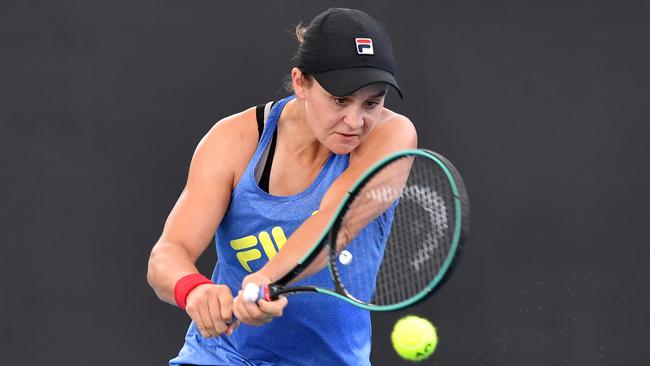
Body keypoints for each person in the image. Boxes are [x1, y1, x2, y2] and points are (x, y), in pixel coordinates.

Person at [147, 7, 417, 366]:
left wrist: (264, 280)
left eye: (372, 102)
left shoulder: (392, 136)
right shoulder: (233, 140)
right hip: (222, 357)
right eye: (340, 99)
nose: (355, 121)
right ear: (301, 82)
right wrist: (192, 289)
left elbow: (335, 224)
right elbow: (167, 254)